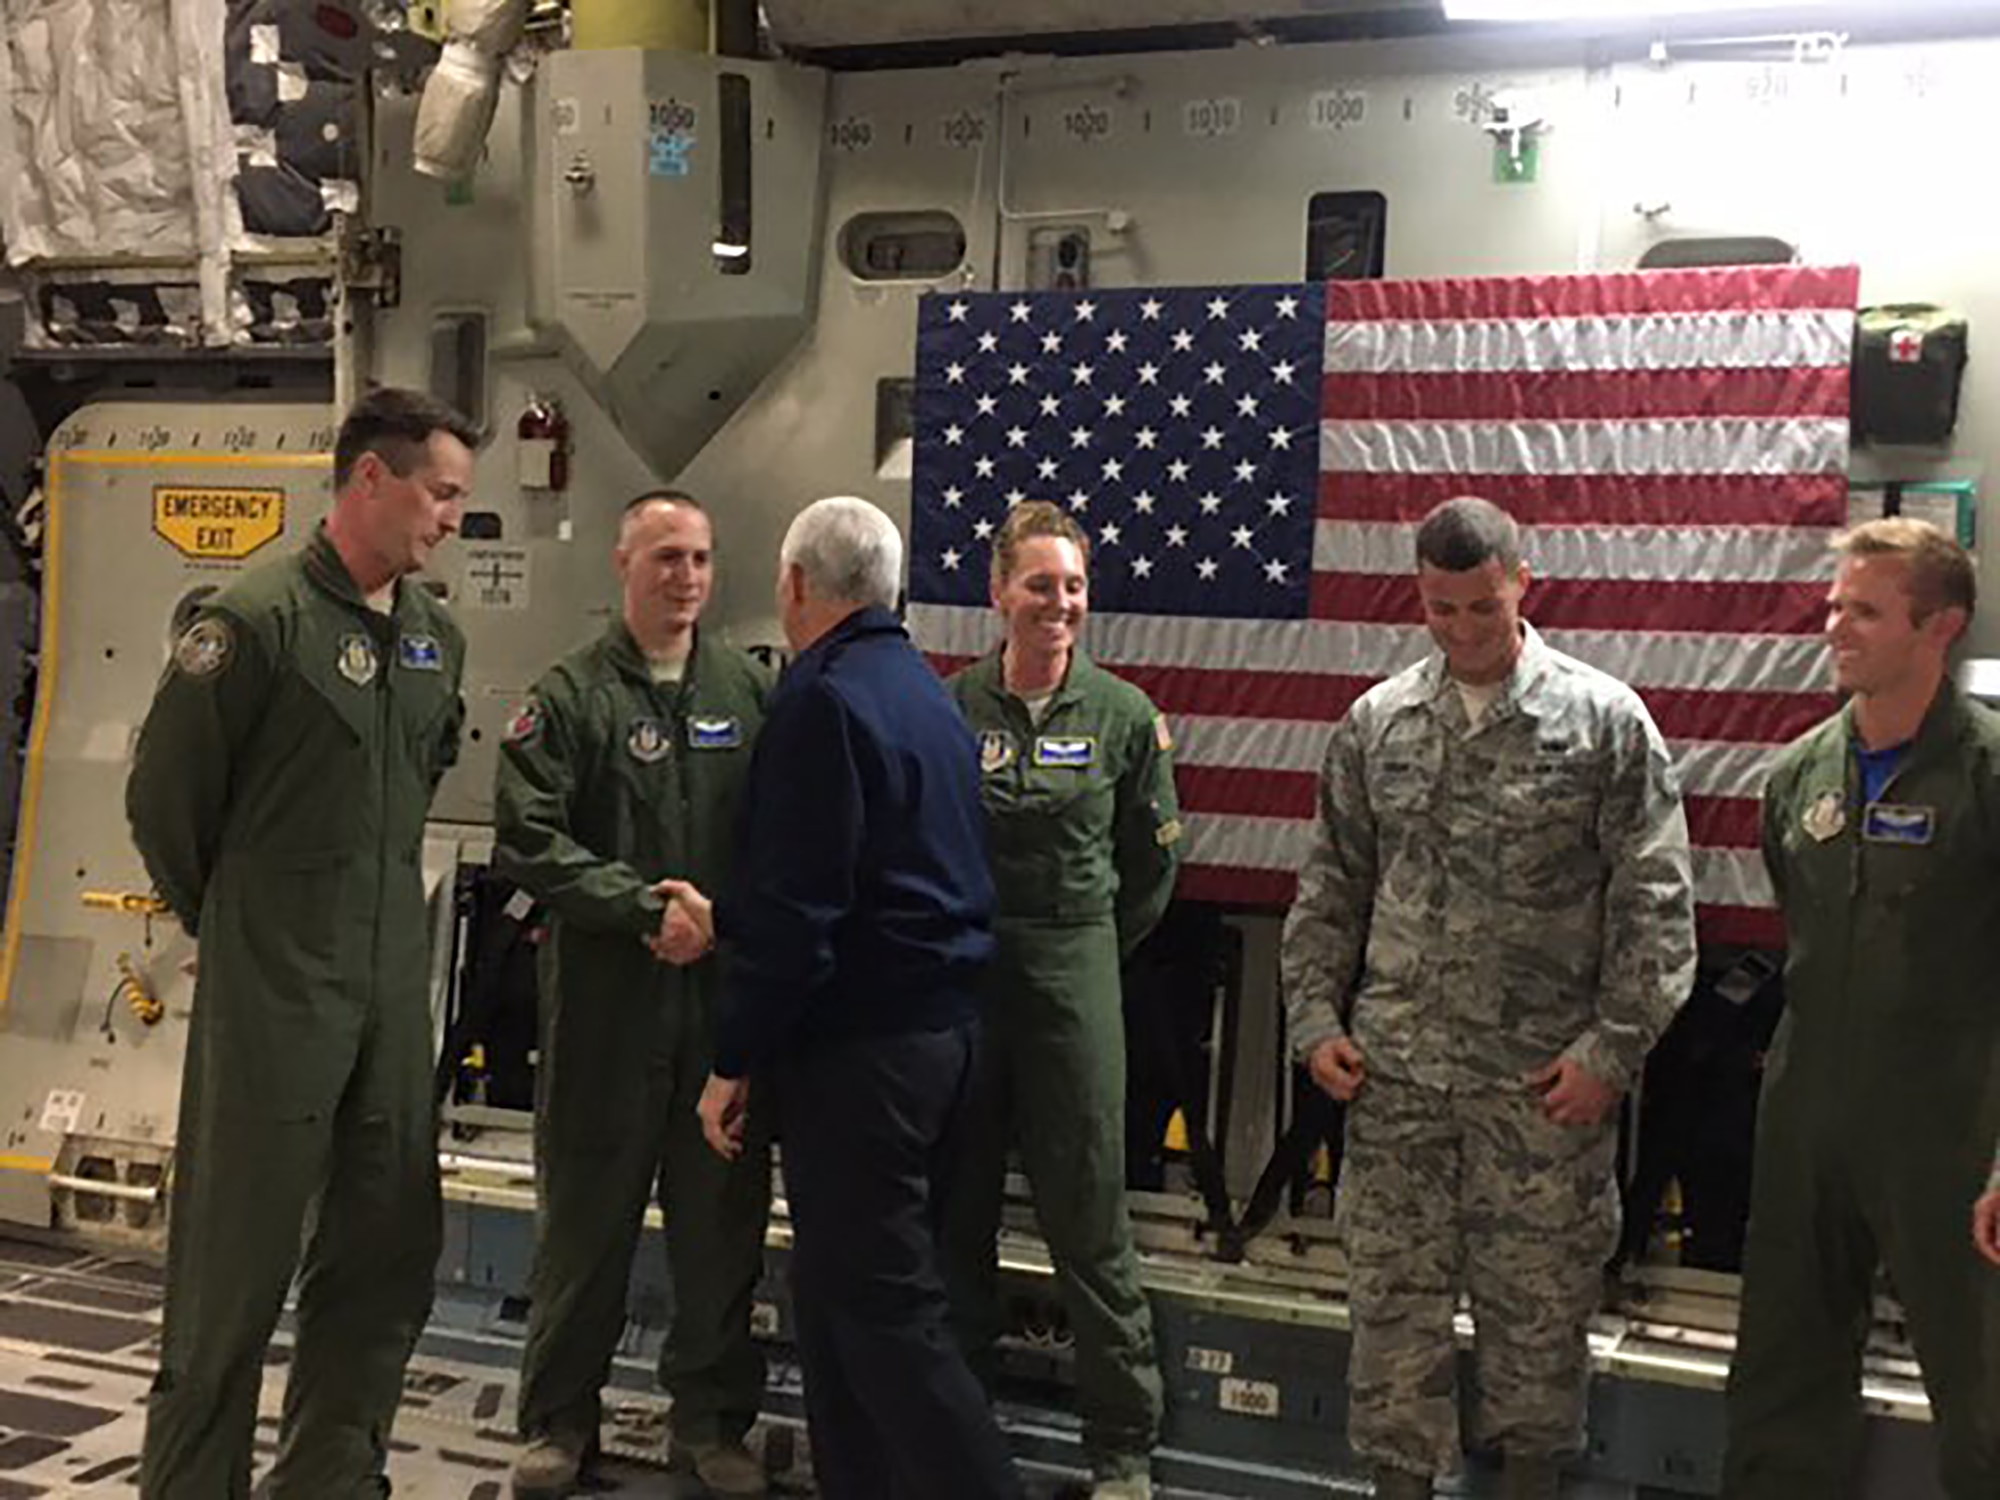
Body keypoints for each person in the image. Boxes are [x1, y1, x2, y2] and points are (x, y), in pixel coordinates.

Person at [1279, 496, 1696, 1500]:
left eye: (1479, 606)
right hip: (1398, 1090)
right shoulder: (1377, 725)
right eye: (1438, 610)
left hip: (1538, 1098)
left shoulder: (1601, 723)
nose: (1461, 630)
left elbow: (1656, 901)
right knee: (1391, 1332)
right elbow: (1331, 885)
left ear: (1521, 583)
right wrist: (1311, 1020)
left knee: (1538, 1334)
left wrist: (1610, 1052)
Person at [127, 387, 477, 1497]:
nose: (452, 519)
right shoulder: (254, 622)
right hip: (274, 995)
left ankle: (328, 1476)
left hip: (384, 994)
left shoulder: (434, 641)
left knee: (383, 1254)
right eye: (441, 491)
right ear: (369, 479)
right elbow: (165, 803)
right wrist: (238, 928)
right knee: (231, 1276)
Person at [665, 495, 1023, 1500]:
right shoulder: (923, 694)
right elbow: (882, 880)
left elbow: (803, 916)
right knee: (835, 1307)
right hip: (943, 1041)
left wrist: (731, 1060)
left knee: (885, 1315)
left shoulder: (820, 702)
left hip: (862, 1057)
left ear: (794, 586)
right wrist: (733, 917)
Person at [494, 491, 774, 1498]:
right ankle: (558, 1421)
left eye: (699, 557)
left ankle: (710, 1423)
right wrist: (639, 908)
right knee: (582, 1225)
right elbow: (525, 837)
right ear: (621, 563)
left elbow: (786, 841)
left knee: (719, 1227)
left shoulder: (749, 695)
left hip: (715, 1014)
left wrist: (719, 916)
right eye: (664, 557)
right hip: (606, 1009)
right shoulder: (568, 699)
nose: (686, 576)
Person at [1722, 518, 2000, 1500]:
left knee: (1984, 1392)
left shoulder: (1983, 774)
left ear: (1940, 627)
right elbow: (1797, 925)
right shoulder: (1798, 775)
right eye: (1834, 604)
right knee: (1779, 1386)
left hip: (1954, 1135)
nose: (1834, 626)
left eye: (1865, 611)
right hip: (1809, 1122)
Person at [942, 500, 1180, 1500]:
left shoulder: (1123, 717)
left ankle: (1121, 1447)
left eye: (1073, 586)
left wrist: (1080, 953)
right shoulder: (951, 708)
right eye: (1040, 584)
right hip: (964, 980)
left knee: (1086, 1217)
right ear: (998, 592)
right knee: (954, 1216)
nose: (1059, 603)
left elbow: (1149, 871)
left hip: (1074, 972)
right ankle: (952, 1429)